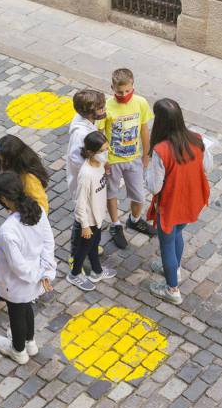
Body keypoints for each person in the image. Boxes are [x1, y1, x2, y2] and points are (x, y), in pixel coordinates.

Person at [144, 98, 212, 305]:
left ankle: (172, 289)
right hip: (192, 199)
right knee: (178, 234)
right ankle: (176, 268)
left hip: (171, 205)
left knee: (166, 245)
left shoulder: (161, 150)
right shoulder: (197, 139)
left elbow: (154, 186)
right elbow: (207, 166)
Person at [0, 171, 56, 365]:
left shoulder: (8, 230)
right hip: (35, 275)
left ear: (4, 198)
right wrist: (45, 272)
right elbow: (48, 242)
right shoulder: (37, 209)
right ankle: (30, 342)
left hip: (17, 282)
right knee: (27, 307)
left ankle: (18, 350)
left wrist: (38, 274)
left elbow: (18, 267)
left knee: (16, 313)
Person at [103, 67, 155, 249]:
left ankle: (134, 219)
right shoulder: (107, 106)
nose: (124, 95)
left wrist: (147, 154)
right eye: (119, 92)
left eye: (127, 90)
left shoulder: (141, 102)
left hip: (134, 159)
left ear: (133, 86)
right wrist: (104, 159)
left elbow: (144, 129)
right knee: (112, 193)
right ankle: (116, 224)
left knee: (139, 196)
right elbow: (100, 133)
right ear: (112, 88)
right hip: (113, 159)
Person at [67, 131, 115, 291]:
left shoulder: (100, 163)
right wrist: (85, 225)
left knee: (94, 244)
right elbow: (80, 203)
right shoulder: (86, 175)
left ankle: (97, 271)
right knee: (84, 248)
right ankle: (74, 274)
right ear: (90, 152)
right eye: (102, 151)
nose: (105, 153)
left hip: (98, 216)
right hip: (89, 220)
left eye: (107, 149)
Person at [66, 89, 107, 272]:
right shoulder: (80, 134)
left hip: (91, 180)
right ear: (90, 111)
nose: (104, 110)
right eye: (100, 108)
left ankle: (88, 247)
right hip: (83, 184)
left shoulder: (87, 124)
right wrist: (92, 167)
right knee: (81, 219)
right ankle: (75, 255)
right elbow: (76, 159)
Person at [0, 135, 49, 214]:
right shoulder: (17, 166)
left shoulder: (29, 179)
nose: (1, 162)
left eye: (4, 160)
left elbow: (42, 207)